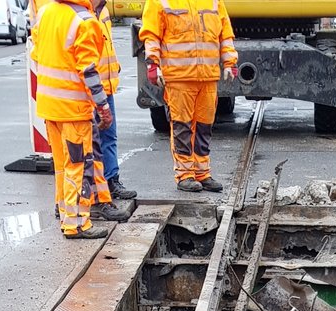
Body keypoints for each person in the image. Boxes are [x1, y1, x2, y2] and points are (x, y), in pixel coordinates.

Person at [32, 0, 115, 239]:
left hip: (49, 107)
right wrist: (102, 106)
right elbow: (88, 71)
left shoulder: (47, 12)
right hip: (73, 110)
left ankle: (65, 214)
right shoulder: (85, 21)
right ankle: (77, 224)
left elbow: (37, 54)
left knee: (62, 167)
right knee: (79, 167)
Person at [139, 0, 238, 193]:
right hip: (179, 77)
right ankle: (185, 175)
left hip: (207, 77)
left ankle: (202, 172)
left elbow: (225, 33)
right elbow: (151, 34)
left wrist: (230, 62)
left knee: (204, 126)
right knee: (182, 126)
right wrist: (152, 63)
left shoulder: (214, 2)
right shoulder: (160, 2)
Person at [93, 0, 137, 202]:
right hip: (89, 90)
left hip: (106, 86)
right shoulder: (81, 13)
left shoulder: (102, 12)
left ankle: (112, 181)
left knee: (109, 137)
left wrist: (114, 66)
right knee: (90, 144)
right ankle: (94, 191)